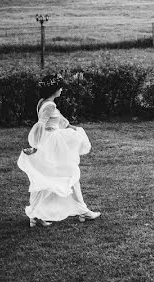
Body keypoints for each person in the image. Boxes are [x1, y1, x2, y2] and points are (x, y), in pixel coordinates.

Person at [17, 74, 101, 227]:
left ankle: (35, 215)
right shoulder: (49, 105)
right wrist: (35, 146)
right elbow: (41, 125)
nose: (62, 90)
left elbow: (59, 120)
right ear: (54, 89)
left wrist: (72, 128)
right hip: (52, 145)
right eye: (60, 87)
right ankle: (83, 212)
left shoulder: (44, 102)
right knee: (69, 174)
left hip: (50, 142)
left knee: (45, 177)